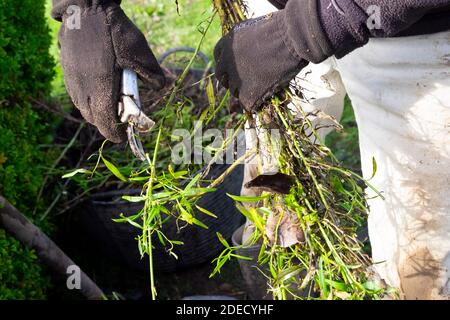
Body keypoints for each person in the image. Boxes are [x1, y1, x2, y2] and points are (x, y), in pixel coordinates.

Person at [52, 0, 450, 299]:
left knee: (424, 262)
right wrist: (83, 9)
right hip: (271, 15)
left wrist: (305, 30)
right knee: (272, 197)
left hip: (415, 32)